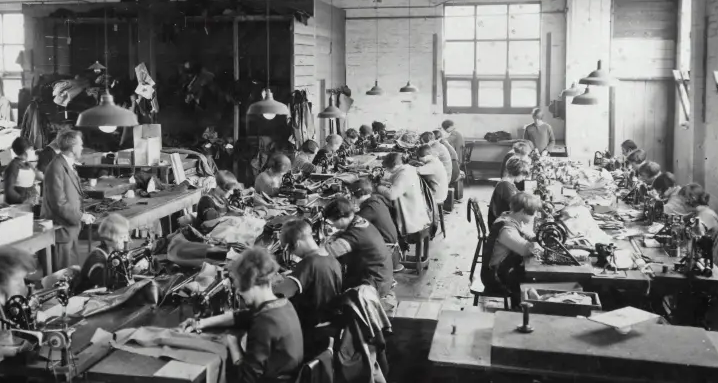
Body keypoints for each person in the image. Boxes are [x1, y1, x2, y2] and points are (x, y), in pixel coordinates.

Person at [179, 247, 303, 382]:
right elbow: (242, 317)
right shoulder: (283, 304)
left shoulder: (264, 324)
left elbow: (245, 379)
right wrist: (201, 323)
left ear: (251, 284)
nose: (238, 292)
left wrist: (234, 343)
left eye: (240, 287)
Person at [322, 197, 395, 308]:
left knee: (329, 294)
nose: (332, 225)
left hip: (374, 283)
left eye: (332, 221)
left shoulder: (354, 235)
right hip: (381, 276)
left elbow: (328, 253)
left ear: (341, 218)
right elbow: (341, 235)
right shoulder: (359, 221)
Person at [275, 219, 342, 333]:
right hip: (329, 323)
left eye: (289, 249)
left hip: (310, 329)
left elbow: (280, 293)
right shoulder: (331, 259)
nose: (291, 253)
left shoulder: (309, 263)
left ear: (297, 243)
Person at [41, 130, 95, 271]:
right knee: (62, 275)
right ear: (73, 147)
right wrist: (81, 216)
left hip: (70, 228)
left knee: (72, 273)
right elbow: (58, 203)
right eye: (80, 145)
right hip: (61, 231)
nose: (82, 148)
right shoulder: (56, 167)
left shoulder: (67, 164)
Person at [482, 193, 544, 305]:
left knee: (530, 275)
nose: (535, 216)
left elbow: (526, 233)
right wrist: (536, 246)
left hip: (503, 269)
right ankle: (520, 310)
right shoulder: (506, 228)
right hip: (495, 276)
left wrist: (535, 238)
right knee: (535, 279)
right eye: (532, 213)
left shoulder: (510, 217)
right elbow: (524, 249)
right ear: (522, 211)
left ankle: (527, 300)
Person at [72, 214, 148, 294]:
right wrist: (131, 271)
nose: (127, 241)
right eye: (122, 237)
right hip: (88, 298)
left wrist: (140, 265)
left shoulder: (117, 253)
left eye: (126, 237)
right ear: (110, 238)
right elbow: (102, 280)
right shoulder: (96, 257)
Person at [376, 152, 431, 237]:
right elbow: (394, 180)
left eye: (386, 167)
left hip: (411, 214)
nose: (386, 170)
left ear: (393, 166)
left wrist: (378, 187)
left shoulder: (404, 174)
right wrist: (382, 182)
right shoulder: (407, 168)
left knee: (380, 212)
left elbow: (392, 195)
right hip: (415, 206)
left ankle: (392, 239)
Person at [488, 157, 530, 229]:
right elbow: (516, 204)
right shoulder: (505, 185)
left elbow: (518, 194)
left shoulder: (509, 182)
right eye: (523, 175)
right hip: (499, 224)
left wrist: (530, 197)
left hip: (501, 218)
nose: (524, 178)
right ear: (517, 172)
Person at [3, 137, 43, 205]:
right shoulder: (13, 166)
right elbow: (9, 191)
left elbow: (35, 179)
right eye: (31, 149)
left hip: (32, 200)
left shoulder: (28, 164)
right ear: (26, 150)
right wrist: (23, 200)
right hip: (19, 204)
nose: (33, 151)